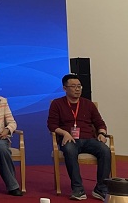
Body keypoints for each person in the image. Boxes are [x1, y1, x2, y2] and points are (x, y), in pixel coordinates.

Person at [47, 73, 111, 201]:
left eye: (79, 86)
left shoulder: (88, 104)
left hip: (89, 139)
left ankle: (100, 188)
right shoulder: (57, 104)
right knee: (69, 150)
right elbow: (52, 125)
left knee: (105, 150)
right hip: (69, 139)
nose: (77, 89)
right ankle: (78, 189)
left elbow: (99, 123)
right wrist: (64, 133)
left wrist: (102, 133)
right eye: (73, 86)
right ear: (65, 88)